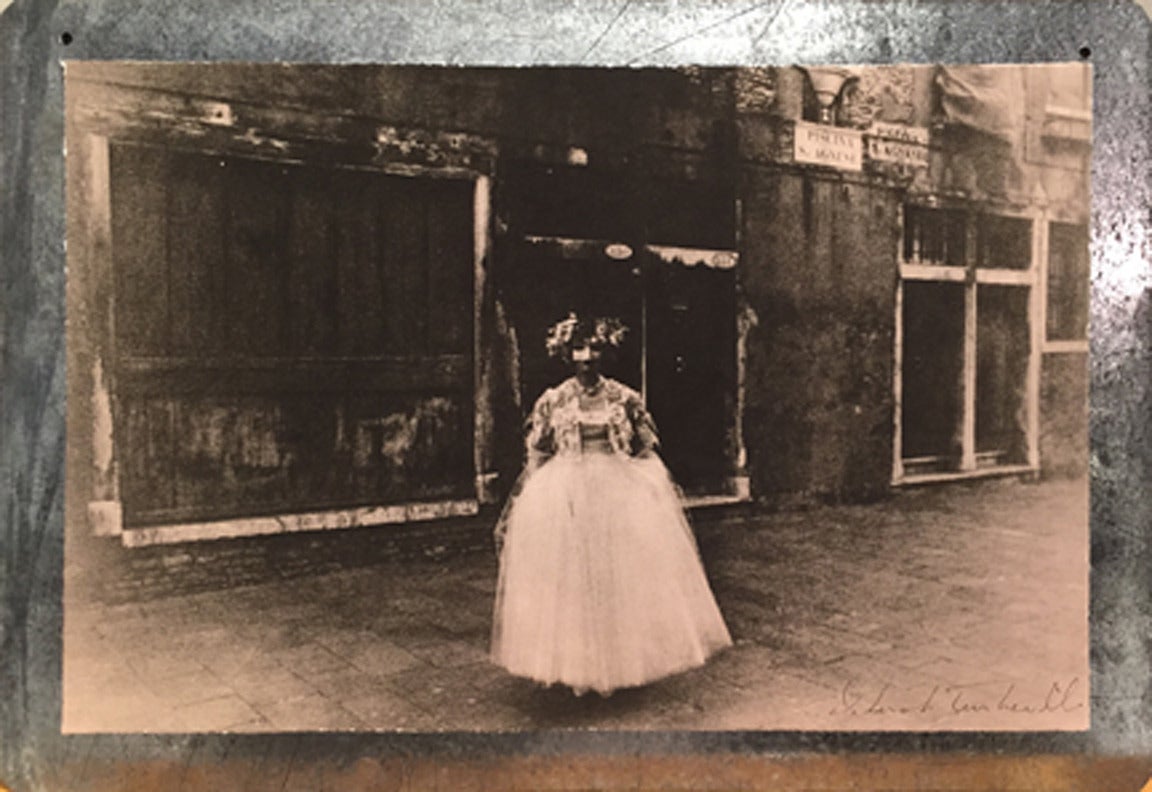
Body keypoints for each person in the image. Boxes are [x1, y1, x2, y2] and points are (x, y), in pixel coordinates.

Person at [490, 312, 732, 696]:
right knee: (573, 579)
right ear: (566, 354)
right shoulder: (553, 400)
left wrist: (649, 489)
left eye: (595, 348)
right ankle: (578, 664)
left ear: (607, 353)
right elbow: (538, 452)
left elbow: (645, 447)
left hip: (617, 492)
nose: (587, 356)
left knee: (617, 577)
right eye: (578, 349)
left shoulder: (625, 398)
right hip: (566, 491)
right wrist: (530, 500)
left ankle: (618, 661)